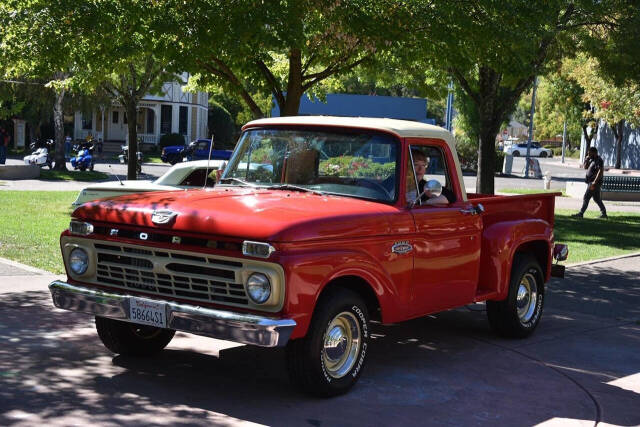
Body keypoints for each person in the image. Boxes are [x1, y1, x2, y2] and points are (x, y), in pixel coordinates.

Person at [572, 146, 607, 218]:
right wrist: (586, 160)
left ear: (594, 152)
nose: (588, 154)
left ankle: (581, 213)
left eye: (589, 153)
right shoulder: (592, 159)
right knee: (597, 199)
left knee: (586, 197)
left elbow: (600, 171)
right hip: (591, 182)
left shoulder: (599, 160)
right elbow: (585, 167)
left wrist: (594, 182)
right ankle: (604, 213)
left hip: (594, 183)